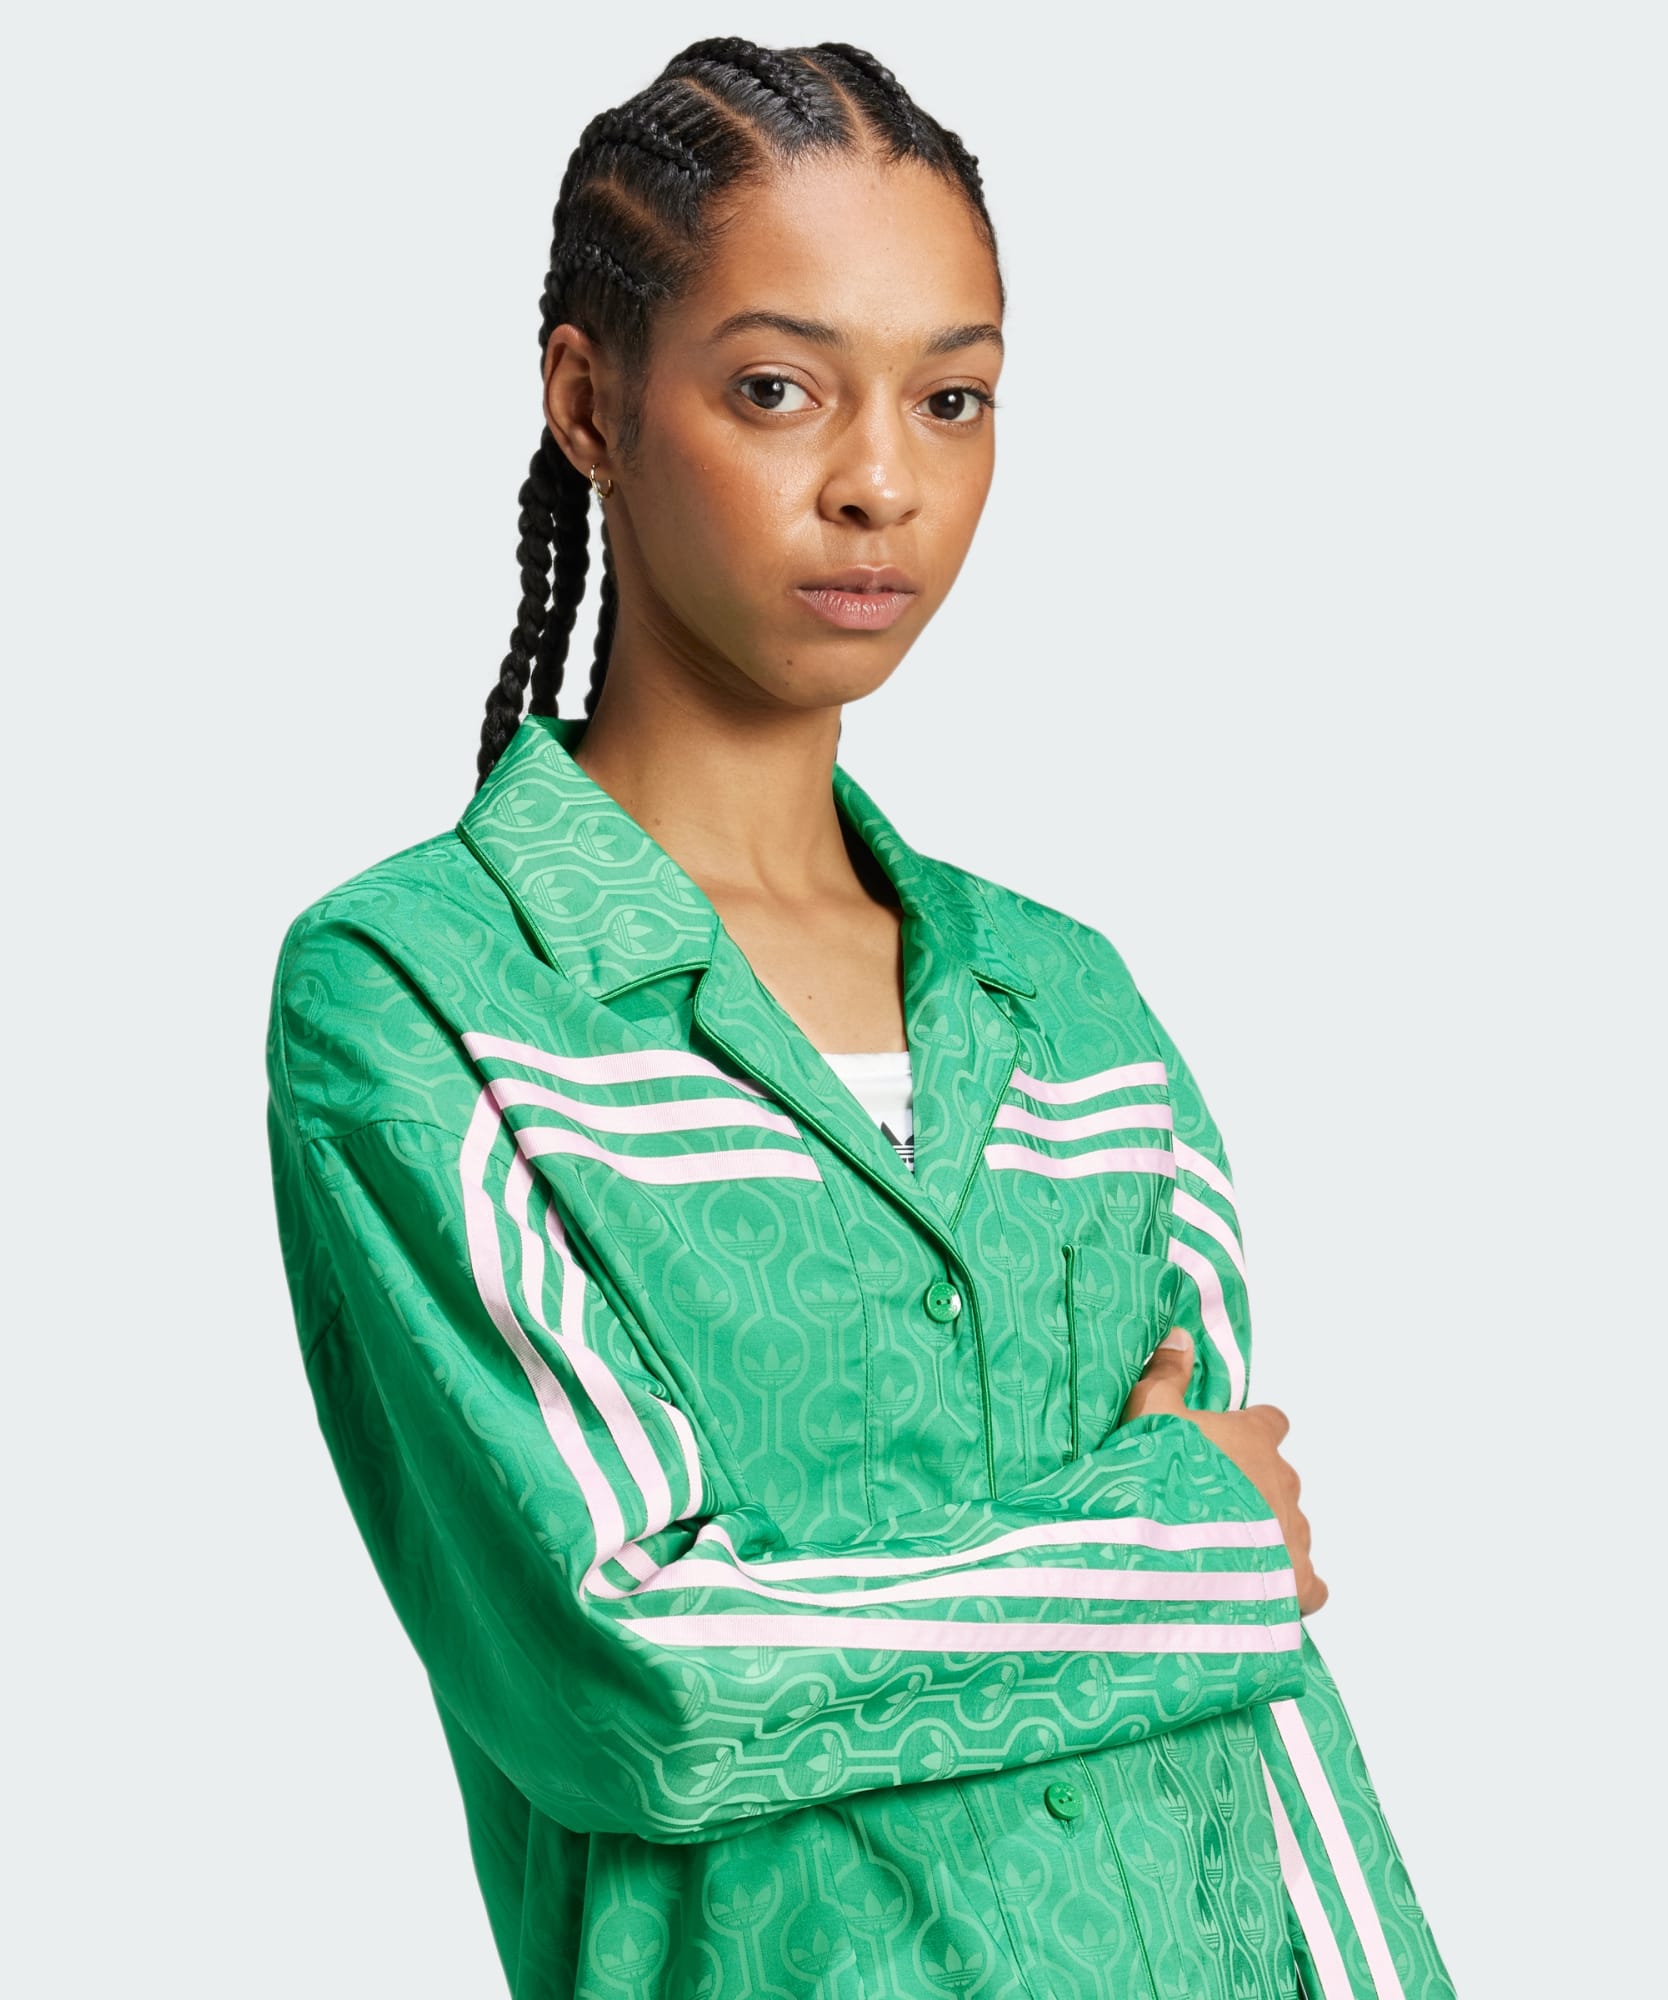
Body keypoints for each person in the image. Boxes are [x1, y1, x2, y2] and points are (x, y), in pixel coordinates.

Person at [264, 35, 1454, 1999]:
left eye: (952, 396)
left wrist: (1189, 1575)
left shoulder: (1069, 1010)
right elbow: (639, 1670)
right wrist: (1173, 1545)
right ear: (588, 401)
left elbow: (1252, 1704)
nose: (882, 481)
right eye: (776, 388)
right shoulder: (423, 995)